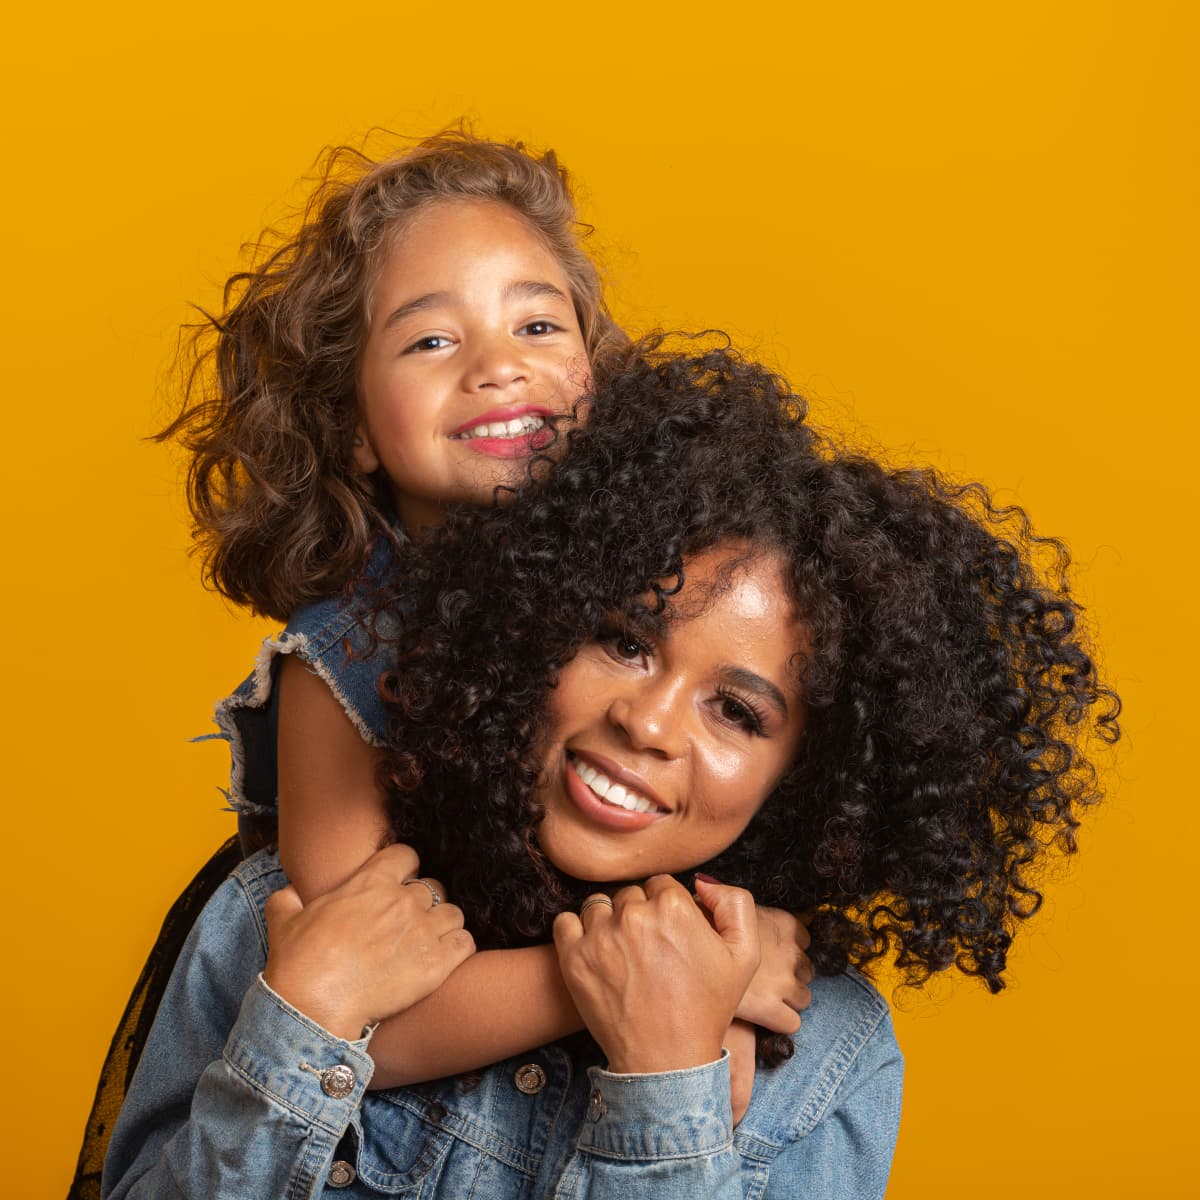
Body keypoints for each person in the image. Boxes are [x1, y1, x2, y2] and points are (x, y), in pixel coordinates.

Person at [103, 342, 1119, 1198]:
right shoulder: (287, 922)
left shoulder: (828, 1055)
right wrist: (304, 1026)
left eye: (738, 711)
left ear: (808, 781)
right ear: (531, 624)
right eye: (626, 641)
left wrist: (666, 1077)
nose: (648, 720)